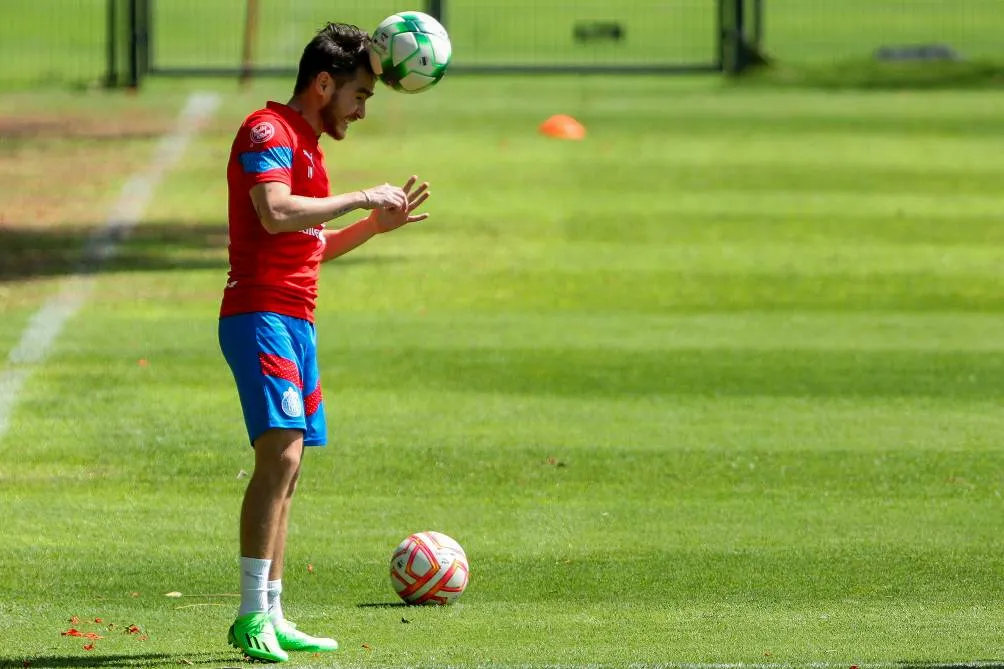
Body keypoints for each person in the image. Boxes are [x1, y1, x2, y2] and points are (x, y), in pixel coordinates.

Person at [217, 21, 430, 663]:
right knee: (278, 458)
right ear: (323, 83)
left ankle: (274, 612)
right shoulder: (268, 130)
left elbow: (308, 244)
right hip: (259, 313)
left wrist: (372, 224)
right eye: (360, 95)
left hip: (296, 320)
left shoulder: (309, 144)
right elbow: (274, 212)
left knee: (293, 467)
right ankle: (251, 615)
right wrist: (360, 194)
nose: (362, 110)